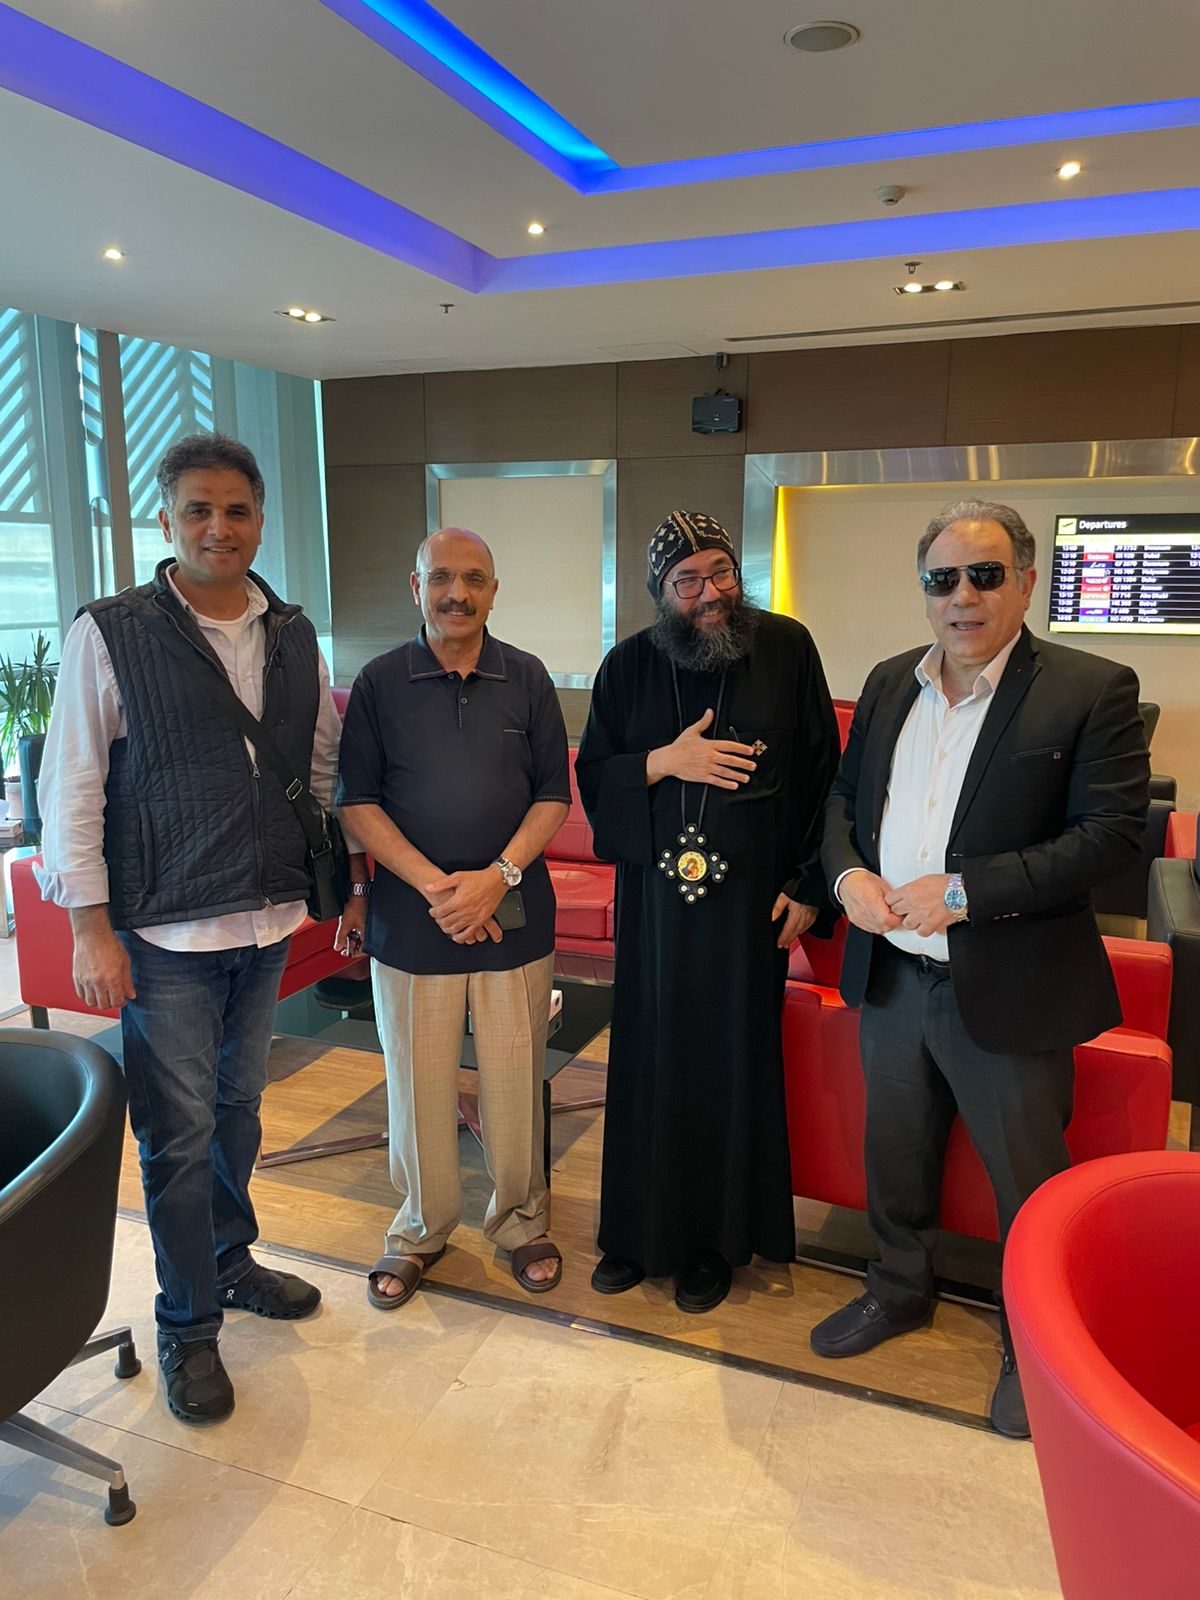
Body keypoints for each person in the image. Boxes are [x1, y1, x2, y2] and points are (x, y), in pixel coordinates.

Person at [810, 498, 1149, 1438]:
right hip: (893, 976)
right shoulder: (890, 682)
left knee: (1027, 1183)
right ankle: (897, 1287)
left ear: (1026, 583)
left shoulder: (1090, 688)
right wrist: (846, 876)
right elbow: (843, 799)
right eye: (943, 578)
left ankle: (1033, 1345)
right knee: (895, 1156)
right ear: (924, 591)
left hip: (1011, 985)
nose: (963, 596)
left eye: (985, 575)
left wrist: (965, 891)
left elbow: (1112, 836)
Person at [37, 432, 352, 1424]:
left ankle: (229, 1258)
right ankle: (187, 1326)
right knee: (176, 1138)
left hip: (266, 920)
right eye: (199, 510)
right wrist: (90, 927)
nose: (220, 527)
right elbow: (73, 785)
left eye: (237, 510)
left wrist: (333, 879)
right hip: (166, 934)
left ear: (260, 519)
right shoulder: (113, 632)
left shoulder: (292, 631)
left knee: (240, 1111)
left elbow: (319, 763)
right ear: (168, 520)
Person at [575, 510, 840, 1312]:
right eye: (687, 581)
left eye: (720, 571)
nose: (710, 593)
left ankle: (715, 1245)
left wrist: (809, 884)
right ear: (660, 592)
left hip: (748, 913)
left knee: (729, 1066)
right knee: (648, 1061)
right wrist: (663, 761)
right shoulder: (627, 667)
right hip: (657, 914)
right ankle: (636, 1235)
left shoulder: (786, 648)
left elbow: (827, 777)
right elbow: (595, 779)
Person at [337, 527, 571, 1308]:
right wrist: (444, 890)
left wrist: (495, 880)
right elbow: (357, 803)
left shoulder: (528, 677)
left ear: (494, 591)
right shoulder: (379, 682)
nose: (457, 593)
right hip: (413, 924)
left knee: (514, 1079)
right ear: (417, 587)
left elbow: (553, 796)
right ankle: (419, 1229)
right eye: (441, 577)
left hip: (516, 915)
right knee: (417, 1085)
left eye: (474, 578)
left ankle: (520, 1220)